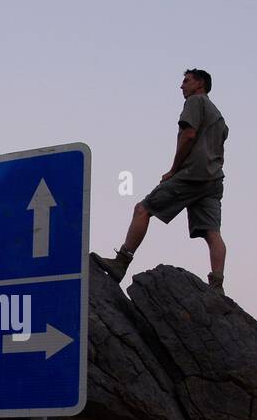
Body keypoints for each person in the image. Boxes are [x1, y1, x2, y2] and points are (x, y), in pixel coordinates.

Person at [93, 68, 229, 292]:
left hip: (192, 175)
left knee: (143, 209)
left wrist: (174, 169)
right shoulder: (219, 116)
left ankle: (121, 262)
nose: (181, 86)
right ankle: (217, 284)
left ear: (200, 84)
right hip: (213, 180)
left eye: (186, 81)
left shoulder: (195, 102)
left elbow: (188, 135)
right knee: (213, 233)